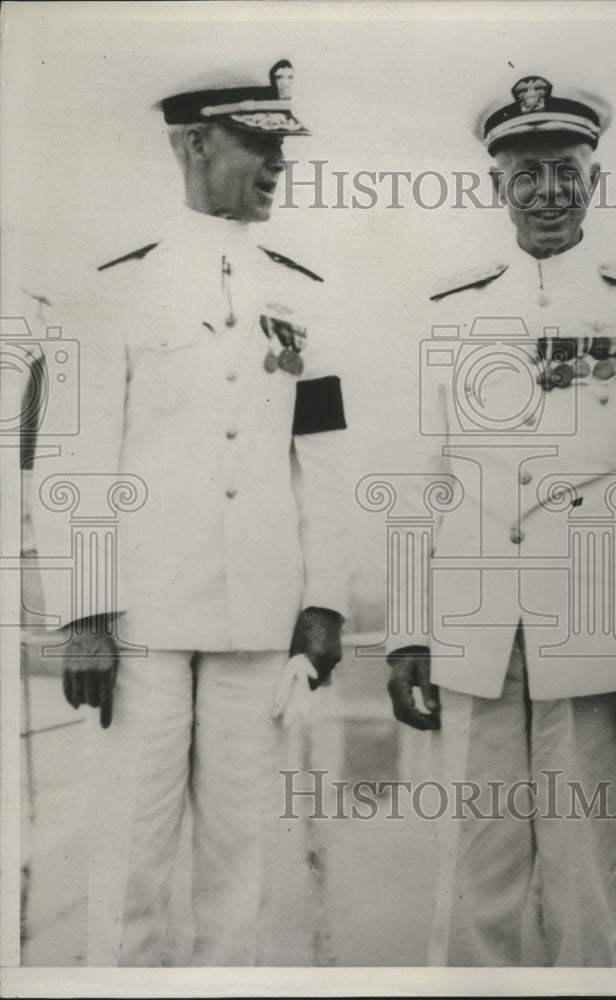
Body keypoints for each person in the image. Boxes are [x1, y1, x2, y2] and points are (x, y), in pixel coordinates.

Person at [386, 72, 616, 966]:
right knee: (469, 903)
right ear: (496, 184)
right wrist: (409, 631)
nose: (547, 193)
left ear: (595, 177)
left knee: (585, 896)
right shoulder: (449, 311)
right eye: (525, 174)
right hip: (475, 641)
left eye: (565, 169)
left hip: (600, 641)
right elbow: (430, 480)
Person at [31, 61, 349, 966]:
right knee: (131, 856)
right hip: (142, 624)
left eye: (284, 144)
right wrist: (85, 616)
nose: (278, 162)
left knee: (241, 866)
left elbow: (320, 452)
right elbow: (73, 460)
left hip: (257, 618)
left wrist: (323, 601)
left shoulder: (302, 291)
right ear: (193, 142)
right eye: (261, 141)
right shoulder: (108, 283)